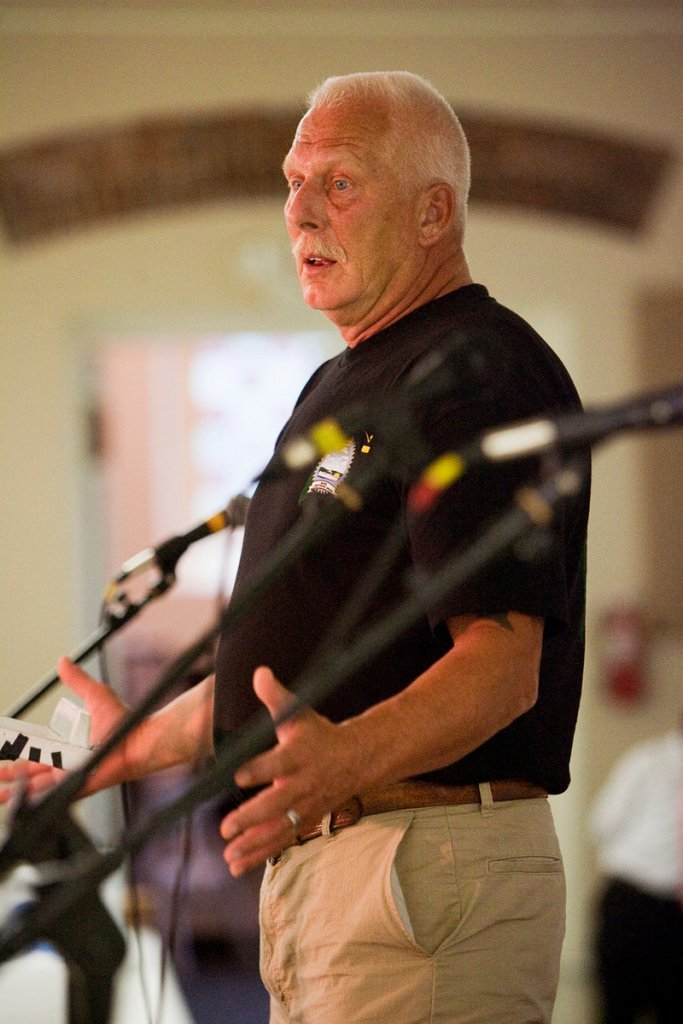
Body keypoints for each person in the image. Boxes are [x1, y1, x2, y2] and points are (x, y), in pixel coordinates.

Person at [1, 72, 590, 1023]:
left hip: (417, 871)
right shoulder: (341, 383)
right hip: (340, 870)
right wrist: (126, 747)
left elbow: (502, 668)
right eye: (292, 181)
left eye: (340, 183)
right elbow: (282, 665)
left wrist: (346, 758)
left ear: (433, 212)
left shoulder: (474, 371)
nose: (300, 211)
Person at [588, 718, 683, 1024]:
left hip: (677, 915)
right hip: (633, 905)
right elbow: (601, 824)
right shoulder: (646, 763)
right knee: (618, 1011)